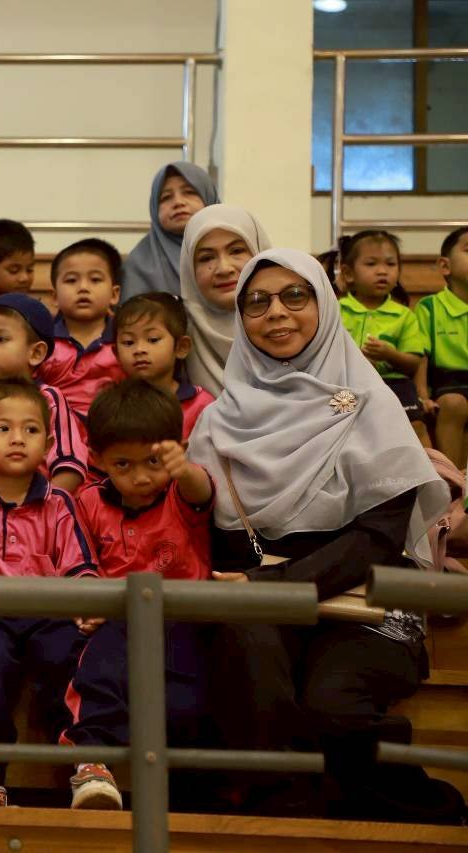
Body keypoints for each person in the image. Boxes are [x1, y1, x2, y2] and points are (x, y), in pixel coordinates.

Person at [190, 248, 453, 821]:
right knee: (249, 669)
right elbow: (215, 533)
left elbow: (378, 538)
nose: (276, 313)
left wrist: (273, 585)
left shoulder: (371, 404)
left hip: (364, 599)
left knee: (332, 706)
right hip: (261, 605)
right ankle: (287, 818)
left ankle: (435, 815)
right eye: (257, 302)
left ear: (325, 305)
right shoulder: (218, 420)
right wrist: (261, 592)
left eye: (295, 295)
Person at [63, 379, 216, 811]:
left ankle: (192, 802)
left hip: (184, 619)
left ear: (175, 451)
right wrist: (89, 600)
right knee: (98, 670)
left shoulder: (180, 490)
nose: (142, 476)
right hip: (119, 616)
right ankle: (91, 763)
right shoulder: (88, 501)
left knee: (185, 704)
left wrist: (182, 469)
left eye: (153, 461)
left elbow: (201, 491)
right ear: (97, 459)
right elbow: (82, 562)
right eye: (123, 464)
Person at [0, 379, 97, 786]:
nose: (18, 439)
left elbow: (79, 567)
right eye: (3, 428)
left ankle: (87, 763)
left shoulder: (59, 502)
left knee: (67, 654)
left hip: (48, 615)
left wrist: (87, 604)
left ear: (49, 443)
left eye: (31, 429)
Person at [0, 293, 88, 494]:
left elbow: (69, 467)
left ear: (36, 353)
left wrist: (48, 506)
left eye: (0, 339)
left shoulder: (48, 398)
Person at [337, 231, 429, 445]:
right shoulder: (336, 310)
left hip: (394, 384)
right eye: (371, 264)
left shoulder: (404, 315)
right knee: (342, 423)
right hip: (348, 383)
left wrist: (390, 354)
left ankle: (433, 465)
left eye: (390, 264)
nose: (382, 271)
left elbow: (414, 362)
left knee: (416, 425)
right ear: (348, 273)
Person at [178, 204, 271, 396]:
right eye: (206, 258)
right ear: (190, 270)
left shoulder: (295, 322)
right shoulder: (174, 333)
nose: (224, 268)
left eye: (236, 251)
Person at [41, 239, 126, 420]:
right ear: (54, 297)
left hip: (116, 426)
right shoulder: (42, 341)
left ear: (114, 294)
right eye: (71, 280)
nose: (83, 288)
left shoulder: (126, 339)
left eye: (95, 279)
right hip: (55, 428)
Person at [114, 293, 215, 439]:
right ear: (116, 353)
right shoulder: (114, 405)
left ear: (181, 347)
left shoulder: (199, 404)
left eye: (153, 339)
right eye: (129, 342)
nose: (139, 350)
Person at [121, 161, 220, 300]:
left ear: (209, 197)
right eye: (166, 197)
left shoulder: (233, 247)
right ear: (154, 208)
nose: (178, 202)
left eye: (189, 192)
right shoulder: (138, 265)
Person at [417, 226, 468, 467]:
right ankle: (453, 478)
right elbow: (421, 356)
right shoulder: (430, 307)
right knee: (453, 404)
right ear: (445, 266)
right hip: (447, 382)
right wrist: (423, 396)